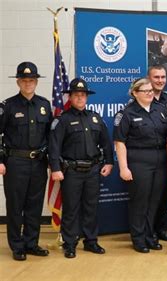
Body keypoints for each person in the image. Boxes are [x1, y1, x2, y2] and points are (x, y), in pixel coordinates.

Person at [49, 78, 114, 258]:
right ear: (70, 97)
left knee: (91, 207)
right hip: (71, 171)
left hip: (93, 170)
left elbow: (106, 143)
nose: (80, 98)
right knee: (71, 209)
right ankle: (70, 244)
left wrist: (109, 162)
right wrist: (55, 168)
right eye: (76, 95)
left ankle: (91, 241)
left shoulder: (94, 117)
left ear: (87, 97)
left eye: (83, 95)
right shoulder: (62, 120)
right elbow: (54, 146)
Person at [0, 62, 52, 261]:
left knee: (34, 205)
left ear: (36, 82)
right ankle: (17, 246)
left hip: (38, 162)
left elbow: (50, 136)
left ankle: (31, 243)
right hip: (15, 162)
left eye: (31, 80)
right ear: (18, 82)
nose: (28, 83)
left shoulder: (44, 105)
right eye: (24, 80)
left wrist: (50, 160)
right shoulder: (7, 106)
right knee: (15, 205)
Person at [113, 78, 167, 253]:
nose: (150, 93)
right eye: (145, 91)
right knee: (140, 201)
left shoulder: (160, 110)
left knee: (154, 201)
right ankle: (138, 238)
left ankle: (149, 234)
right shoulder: (126, 114)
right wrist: (123, 167)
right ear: (135, 93)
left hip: (159, 159)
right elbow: (119, 142)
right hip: (138, 161)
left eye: (151, 90)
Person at [147, 65, 167, 243]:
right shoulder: (144, 98)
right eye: (156, 77)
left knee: (163, 193)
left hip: (165, 153)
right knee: (148, 195)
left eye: (163, 77)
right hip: (147, 154)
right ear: (149, 79)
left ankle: (161, 228)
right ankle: (148, 231)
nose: (160, 80)